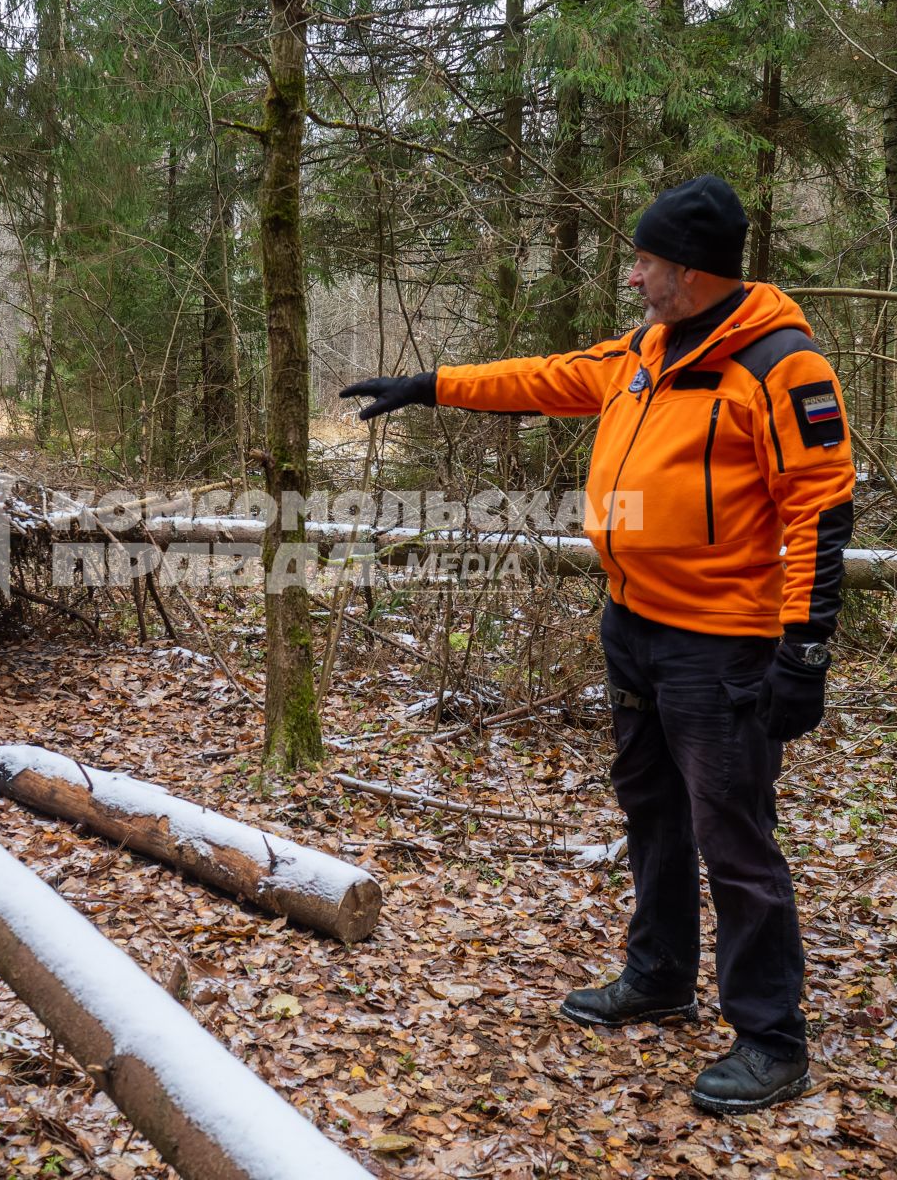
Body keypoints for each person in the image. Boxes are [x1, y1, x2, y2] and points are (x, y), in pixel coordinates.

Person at [341, 175, 854, 1115]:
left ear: (691, 272)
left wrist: (804, 650)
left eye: (646, 262)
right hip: (636, 627)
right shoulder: (645, 352)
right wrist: (431, 386)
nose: (633, 278)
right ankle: (658, 975)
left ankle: (774, 1039)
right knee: (652, 811)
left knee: (734, 837)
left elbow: (820, 512)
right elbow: (545, 376)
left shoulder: (782, 368)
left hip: (724, 646)